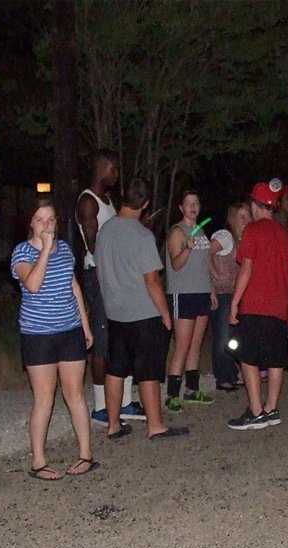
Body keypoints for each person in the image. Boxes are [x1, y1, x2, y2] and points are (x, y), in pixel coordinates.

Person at [11, 197, 95, 480]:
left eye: (51, 220)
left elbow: (74, 287)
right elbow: (32, 285)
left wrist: (85, 326)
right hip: (38, 335)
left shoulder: (67, 250)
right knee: (44, 398)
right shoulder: (21, 253)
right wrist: (45, 251)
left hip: (69, 330)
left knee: (75, 395)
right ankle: (39, 461)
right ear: (31, 223)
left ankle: (86, 455)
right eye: (40, 220)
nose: (46, 225)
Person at [95, 179, 186, 440]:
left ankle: (113, 424)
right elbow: (152, 281)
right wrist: (165, 314)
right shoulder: (142, 235)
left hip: (115, 312)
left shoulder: (105, 231)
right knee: (148, 369)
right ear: (146, 204)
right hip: (143, 313)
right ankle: (155, 425)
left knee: (117, 368)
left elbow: (100, 273)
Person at [75, 149, 145, 425]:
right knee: (102, 339)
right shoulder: (88, 202)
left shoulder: (107, 201)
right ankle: (101, 406)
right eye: (113, 169)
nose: (116, 174)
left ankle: (124, 401)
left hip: (114, 273)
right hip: (99, 274)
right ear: (101, 167)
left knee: (122, 334)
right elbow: (96, 246)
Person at [227, 181, 288, 430]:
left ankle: (256, 411)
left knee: (248, 357)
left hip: (256, 305)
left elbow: (246, 267)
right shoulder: (284, 233)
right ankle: (271, 408)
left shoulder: (253, 231)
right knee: (276, 360)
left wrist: (235, 302)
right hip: (278, 306)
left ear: (256, 205)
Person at [163, 189, 217, 412]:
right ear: (181, 208)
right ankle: (172, 394)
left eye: (196, 203)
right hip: (183, 293)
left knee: (196, 343)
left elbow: (204, 266)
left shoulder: (201, 231)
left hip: (201, 292)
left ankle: (192, 390)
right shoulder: (177, 232)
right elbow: (176, 265)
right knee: (182, 345)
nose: (193, 207)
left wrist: (211, 290)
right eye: (188, 203)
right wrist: (187, 247)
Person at [210, 201, 249, 392]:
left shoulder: (243, 240)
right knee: (223, 337)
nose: (246, 220)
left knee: (233, 337)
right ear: (232, 219)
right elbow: (206, 254)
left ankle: (232, 373)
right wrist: (215, 275)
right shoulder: (225, 237)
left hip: (234, 294)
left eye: (248, 216)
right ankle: (223, 377)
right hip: (222, 293)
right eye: (242, 216)